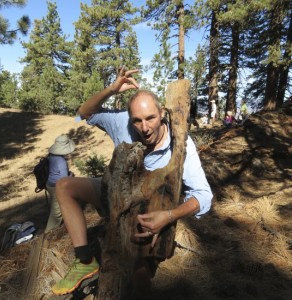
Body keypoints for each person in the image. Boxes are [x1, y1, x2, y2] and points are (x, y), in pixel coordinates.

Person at [51, 67, 213, 296]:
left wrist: (168, 216)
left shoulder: (180, 143)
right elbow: (83, 113)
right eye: (137, 121)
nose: (144, 128)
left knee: (138, 271)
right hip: (115, 192)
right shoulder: (121, 123)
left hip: (147, 209)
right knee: (64, 186)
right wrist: (111, 89)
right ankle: (85, 261)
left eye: (150, 118)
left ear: (162, 113)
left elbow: (204, 196)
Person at [45, 134, 75, 233]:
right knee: (56, 213)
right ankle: (49, 233)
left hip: (49, 184)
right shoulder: (61, 161)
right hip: (56, 187)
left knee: (59, 206)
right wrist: (71, 175)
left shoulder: (51, 156)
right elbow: (64, 180)